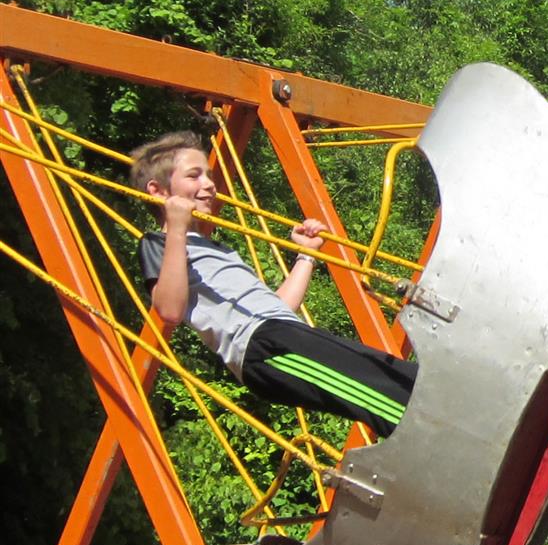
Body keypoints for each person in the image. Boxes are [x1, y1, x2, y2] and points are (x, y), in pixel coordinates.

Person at [131, 131, 416, 436]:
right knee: (372, 395)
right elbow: (170, 309)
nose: (209, 184)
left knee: (385, 370)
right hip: (262, 347)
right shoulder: (159, 243)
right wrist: (175, 227)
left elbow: (280, 307)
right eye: (194, 176)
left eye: (209, 175)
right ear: (159, 192)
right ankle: (425, 436)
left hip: (282, 331)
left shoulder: (216, 249)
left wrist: (306, 255)